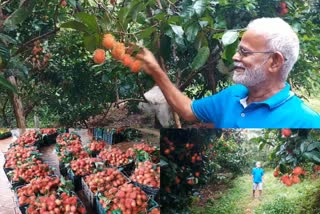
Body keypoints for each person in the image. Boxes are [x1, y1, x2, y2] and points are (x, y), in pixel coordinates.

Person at [137, 17, 320, 128]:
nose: (234, 56)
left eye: (244, 52)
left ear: (274, 61)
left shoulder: (307, 121)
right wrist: (155, 70)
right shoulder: (233, 95)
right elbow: (188, 110)